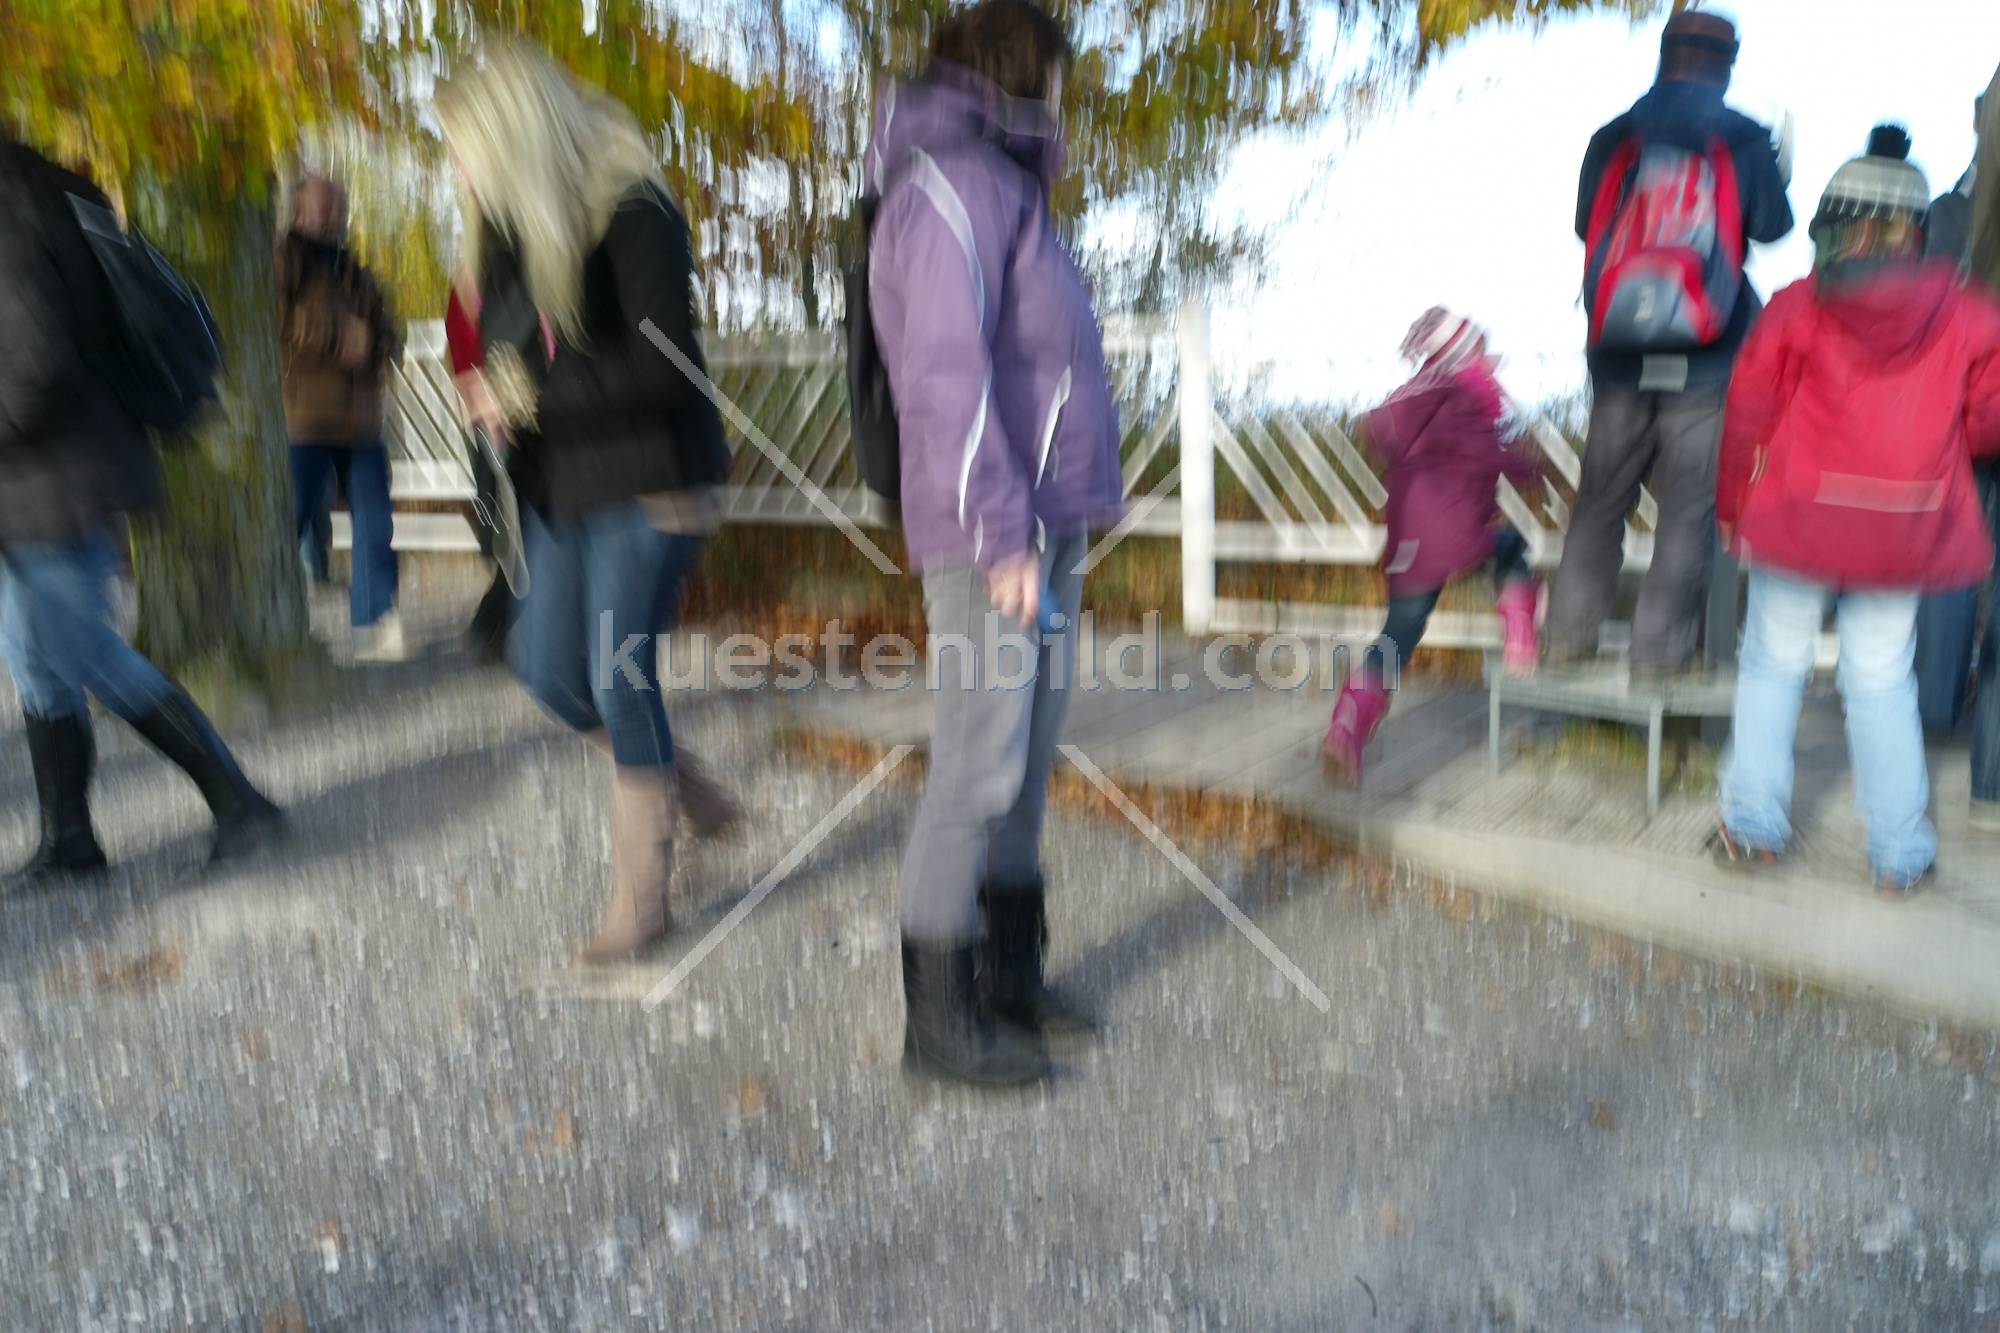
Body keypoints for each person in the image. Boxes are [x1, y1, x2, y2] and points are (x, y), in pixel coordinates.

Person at [435, 42, 742, 965]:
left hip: (655, 479)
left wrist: (520, 393)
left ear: (513, 139)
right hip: (561, 487)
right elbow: (496, 352)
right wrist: (489, 394)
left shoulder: (634, 211)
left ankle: (641, 899)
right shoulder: (499, 236)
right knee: (544, 670)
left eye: (464, 149)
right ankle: (690, 787)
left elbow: (662, 369)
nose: (455, 170)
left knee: (618, 675)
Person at [867, 0, 1125, 1085]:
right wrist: (1001, 534)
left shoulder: (1011, 187)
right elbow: (941, 375)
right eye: (1059, 78)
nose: (1067, 102)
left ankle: (1011, 981)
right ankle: (937, 1026)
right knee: (975, 768)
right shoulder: (948, 185)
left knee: (1022, 770)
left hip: (1046, 521)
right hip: (995, 536)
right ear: (1023, 70)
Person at [1711, 127, 2000, 897]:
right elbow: (1985, 425)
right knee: (1881, 679)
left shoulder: (1796, 308)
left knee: (1773, 665)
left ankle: (1752, 824)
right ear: (1917, 232)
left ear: (1832, 223)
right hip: (1901, 526)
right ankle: (1900, 851)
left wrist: (1733, 507)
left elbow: (1748, 415)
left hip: (1799, 516)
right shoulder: (1972, 317)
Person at [1, 132, 285, 882]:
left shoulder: (10, 205)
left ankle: (240, 802)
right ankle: (69, 840)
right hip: (50, 474)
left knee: (83, 651)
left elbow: (32, 363)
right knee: (36, 660)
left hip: (57, 474)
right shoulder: (46, 186)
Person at [1544, 11, 1794, 680]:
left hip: (1619, 352)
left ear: (1664, 55)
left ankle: (1566, 640)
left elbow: (1583, 226)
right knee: (1687, 512)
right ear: (1726, 63)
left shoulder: (1613, 134)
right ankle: (1658, 660)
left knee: (1599, 502)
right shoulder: (1743, 136)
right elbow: (1771, 228)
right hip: (1708, 357)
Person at [1321, 309, 1543, 784]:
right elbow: (1484, 455)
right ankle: (1521, 635)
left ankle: (1347, 727)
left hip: (1409, 544)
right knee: (1510, 548)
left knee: (1398, 634)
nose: (1489, 363)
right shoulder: (1464, 398)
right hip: (1456, 533)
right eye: (1481, 353)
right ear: (1463, 358)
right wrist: (1528, 468)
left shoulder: (1415, 401)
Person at [277, 176, 405, 661]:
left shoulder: (357, 271)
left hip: (362, 421)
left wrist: (378, 346)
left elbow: (388, 328)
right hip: (304, 416)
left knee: (376, 521)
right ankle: (280, 620)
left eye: (340, 207)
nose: (334, 217)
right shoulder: (283, 261)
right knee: (292, 516)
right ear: (299, 212)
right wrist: (338, 339)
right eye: (325, 207)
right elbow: (275, 324)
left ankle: (375, 621)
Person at [444, 270, 515, 665]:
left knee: (520, 525)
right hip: (493, 412)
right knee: (512, 524)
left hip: (519, 409)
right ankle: (491, 628)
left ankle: (494, 627)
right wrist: (477, 389)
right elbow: (462, 335)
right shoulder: (477, 275)